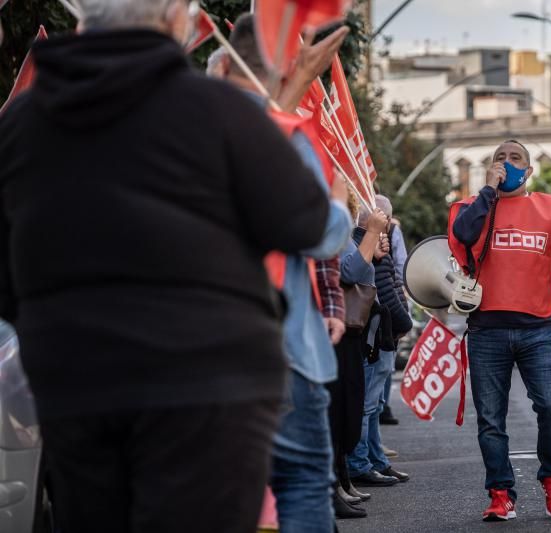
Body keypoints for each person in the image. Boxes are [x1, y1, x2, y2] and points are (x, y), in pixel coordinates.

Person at [0, 1, 330, 532]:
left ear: (83, 21)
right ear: (176, 20)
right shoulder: (219, 110)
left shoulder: (19, 124)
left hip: (74, 383)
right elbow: (304, 220)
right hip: (210, 383)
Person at [222, 15, 352, 533]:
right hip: (286, 351)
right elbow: (318, 233)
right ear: (285, 67)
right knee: (299, 483)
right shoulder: (282, 136)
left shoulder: (183, 129)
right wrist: (339, 205)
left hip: (203, 353)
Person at [448, 140, 551, 522]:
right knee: (491, 419)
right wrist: (488, 193)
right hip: (486, 330)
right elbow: (463, 234)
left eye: (516, 159)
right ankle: (500, 494)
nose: (508, 163)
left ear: (529, 171)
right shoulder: (473, 207)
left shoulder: (550, 211)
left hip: (537, 330)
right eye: (501, 158)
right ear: (491, 166)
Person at [330, 196, 389, 519]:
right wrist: (369, 239)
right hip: (340, 329)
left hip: (353, 330)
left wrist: (374, 254)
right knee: (339, 410)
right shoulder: (334, 230)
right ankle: (334, 485)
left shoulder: (343, 231)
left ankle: (341, 480)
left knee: (348, 408)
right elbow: (349, 273)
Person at [347, 198, 412, 487]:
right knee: (367, 404)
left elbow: (390, 283)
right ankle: (360, 463)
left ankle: (374, 459)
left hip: (379, 332)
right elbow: (381, 289)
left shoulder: (373, 244)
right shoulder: (362, 243)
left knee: (374, 404)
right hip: (374, 333)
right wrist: (402, 323)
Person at [379, 215, 408, 427]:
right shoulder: (387, 234)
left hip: (376, 319)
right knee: (384, 366)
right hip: (382, 319)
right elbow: (400, 269)